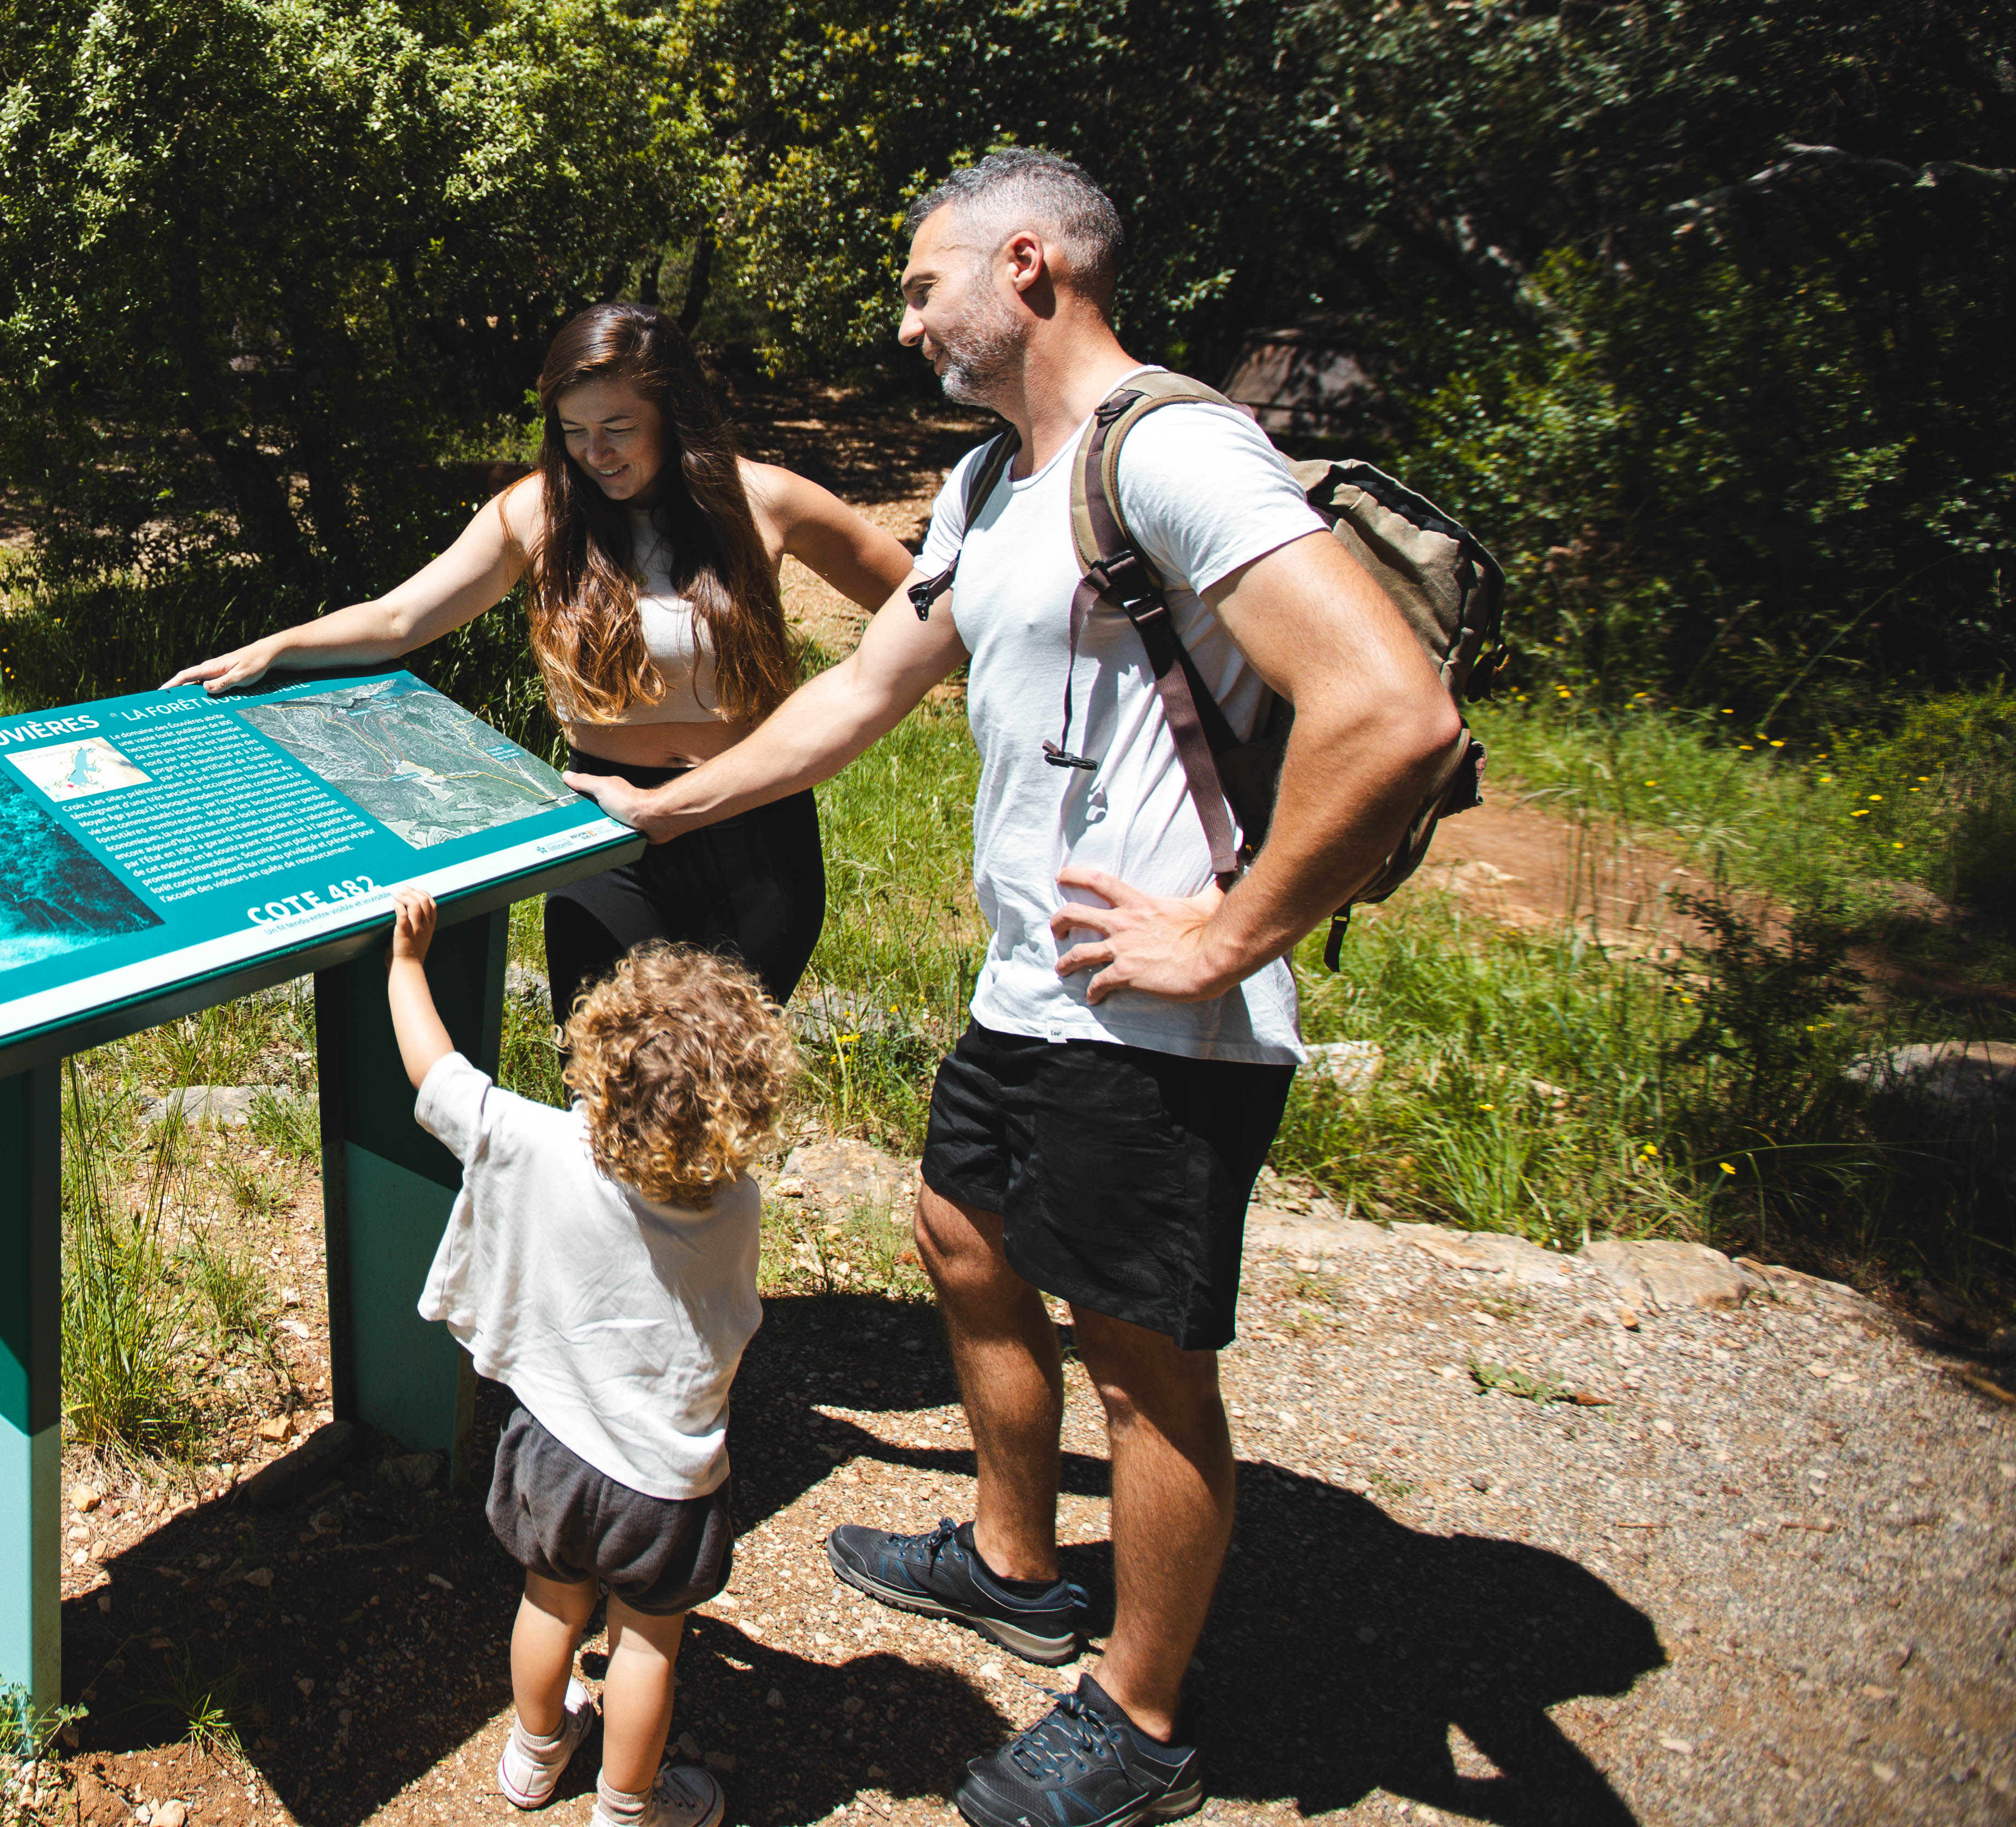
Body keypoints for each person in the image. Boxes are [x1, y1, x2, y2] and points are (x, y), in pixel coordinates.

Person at [565, 151, 1463, 1827]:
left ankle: (1140, 1720)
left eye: (924, 287)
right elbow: (864, 690)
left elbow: (1393, 712)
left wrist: (1228, 936)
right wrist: (658, 808)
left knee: (1142, 1362)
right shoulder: (990, 484)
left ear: (1030, 267)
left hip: (1161, 1009)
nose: (906, 320)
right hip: (1029, 980)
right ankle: (1012, 1559)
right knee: (962, 1238)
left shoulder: (1179, 452)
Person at [172, 302, 911, 1024]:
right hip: (603, 832)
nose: (597, 453)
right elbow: (400, 618)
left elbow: (924, 600)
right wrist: (277, 646)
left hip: (753, 820)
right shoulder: (538, 511)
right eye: (575, 431)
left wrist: (850, 692)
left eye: (620, 427)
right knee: (600, 1088)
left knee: (723, 1098)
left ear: (673, 412)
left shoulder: (765, 499)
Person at [381, 884, 788, 1827]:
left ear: (597, 1055)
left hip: (554, 1451)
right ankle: (625, 1808)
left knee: (549, 1608)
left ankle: (532, 1755)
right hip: (665, 1481)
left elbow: (436, 1074)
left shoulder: (541, 1146)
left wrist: (407, 965)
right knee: (647, 1647)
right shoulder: (734, 1206)